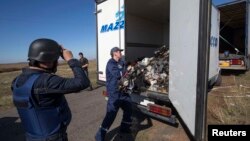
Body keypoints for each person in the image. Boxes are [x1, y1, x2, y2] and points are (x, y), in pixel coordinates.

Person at [11, 38, 90, 141]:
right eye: (56, 59)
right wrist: (71, 59)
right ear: (48, 61)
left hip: (32, 136)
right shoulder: (48, 81)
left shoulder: (17, 81)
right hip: (52, 137)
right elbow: (83, 82)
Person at [95, 47, 132, 141]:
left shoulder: (121, 62)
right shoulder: (110, 63)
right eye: (120, 52)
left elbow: (125, 67)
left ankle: (125, 128)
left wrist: (131, 66)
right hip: (114, 93)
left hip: (123, 92)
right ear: (115, 53)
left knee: (129, 109)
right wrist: (127, 72)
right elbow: (119, 75)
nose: (121, 53)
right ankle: (99, 136)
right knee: (111, 115)